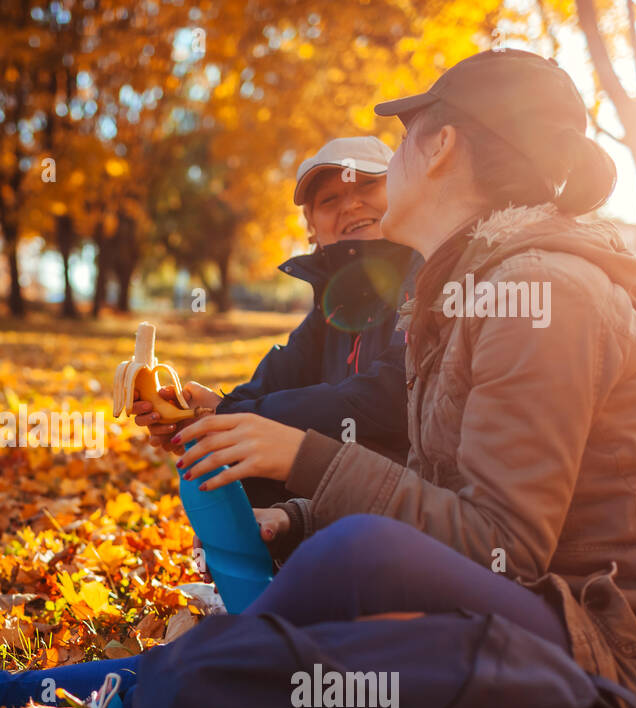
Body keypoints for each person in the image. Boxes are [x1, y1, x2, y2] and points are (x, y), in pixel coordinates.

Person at [0, 50, 636, 708]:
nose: (362, 193)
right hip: (540, 617)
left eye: (403, 140)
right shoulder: (470, 292)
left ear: (444, 147)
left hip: (615, 650)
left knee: (340, 572)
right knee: (282, 621)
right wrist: (293, 501)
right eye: (325, 203)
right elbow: (447, 491)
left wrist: (303, 462)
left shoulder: (539, 291)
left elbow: (506, 543)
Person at [135, 135, 422, 515]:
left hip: (414, 493)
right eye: (329, 200)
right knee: (224, 466)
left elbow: (390, 393)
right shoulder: (331, 304)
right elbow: (278, 378)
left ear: (402, 192)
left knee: (249, 449)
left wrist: (235, 416)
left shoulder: (425, 275)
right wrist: (206, 412)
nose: (351, 204)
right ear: (313, 229)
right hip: (340, 483)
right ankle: (255, 568)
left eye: (368, 184)